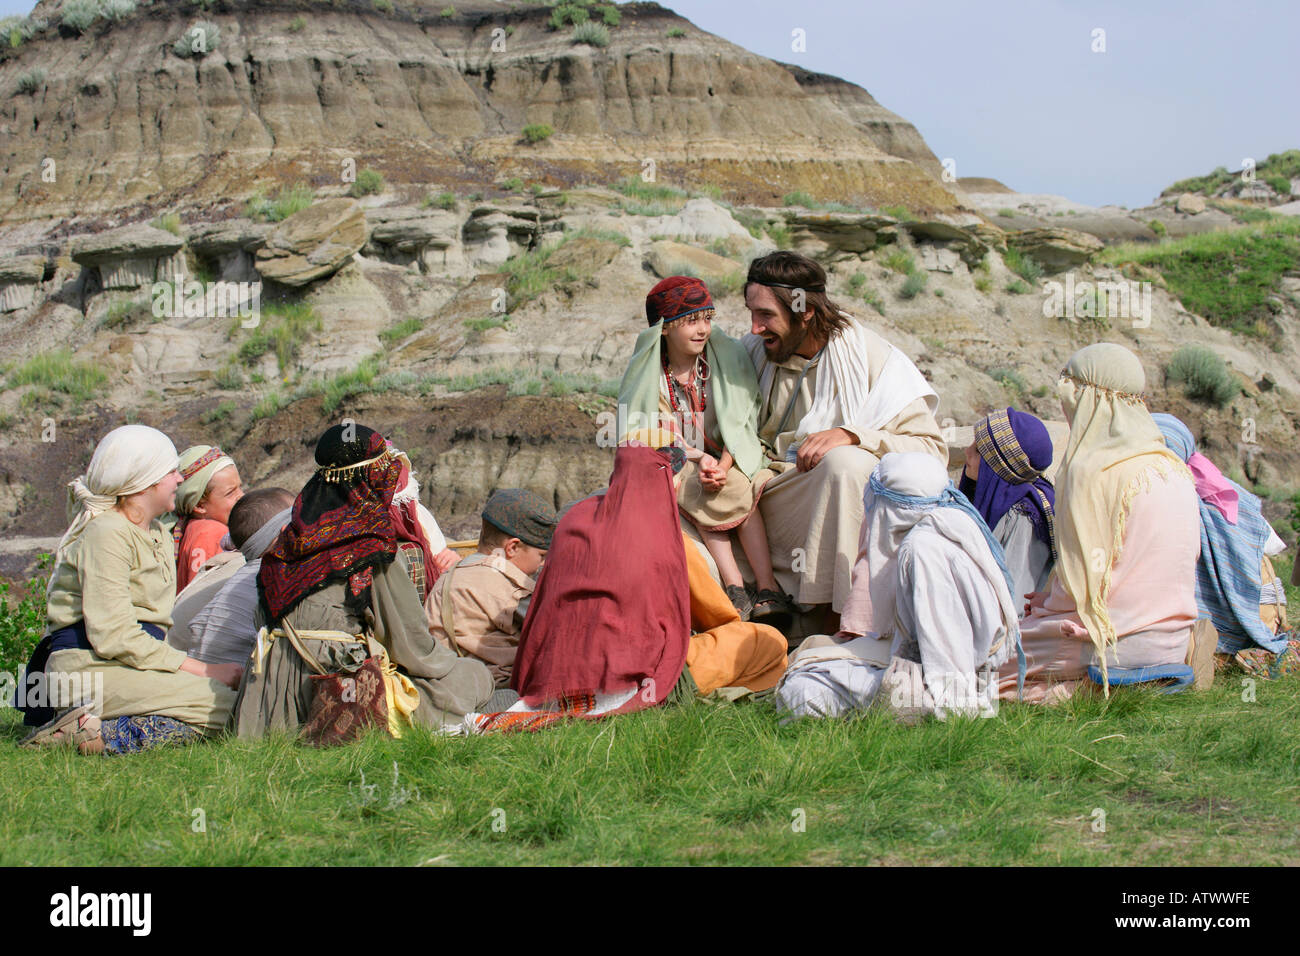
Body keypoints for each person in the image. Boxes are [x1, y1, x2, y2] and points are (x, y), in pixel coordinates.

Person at [464, 442, 787, 733]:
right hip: (640, 683)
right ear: (665, 481)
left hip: (554, 679)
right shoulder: (669, 537)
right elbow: (719, 617)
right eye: (674, 477)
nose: (676, 485)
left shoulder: (572, 522)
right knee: (766, 641)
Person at [232, 424, 493, 738]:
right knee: (472, 676)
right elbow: (413, 650)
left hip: (266, 696)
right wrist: (461, 667)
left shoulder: (285, 543)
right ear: (376, 478)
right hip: (335, 690)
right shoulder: (373, 547)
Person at [742, 251, 946, 618]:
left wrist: (854, 435)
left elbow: (931, 450)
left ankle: (842, 612)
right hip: (756, 499)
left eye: (766, 316)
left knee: (846, 465)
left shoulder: (870, 358)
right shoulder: (753, 353)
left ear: (804, 311)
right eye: (752, 314)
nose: (755, 328)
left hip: (826, 501)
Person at [20, 425, 241, 755]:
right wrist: (205, 669)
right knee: (223, 707)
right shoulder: (107, 533)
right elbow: (114, 636)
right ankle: (91, 734)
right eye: (169, 472)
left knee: (233, 701)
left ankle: (94, 723)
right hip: (89, 667)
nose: (179, 480)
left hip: (126, 665)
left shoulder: (157, 534)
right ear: (145, 480)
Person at [998, 344, 1200, 703]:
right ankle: (1108, 689)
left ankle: (1077, 690)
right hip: (1174, 640)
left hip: (1108, 642)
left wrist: (1044, 606)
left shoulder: (1091, 470)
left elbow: (1079, 590)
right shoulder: (1172, 466)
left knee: (982, 665)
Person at [775, 452, 1019, 722]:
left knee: (802, 689)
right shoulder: (953, 522)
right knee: (814, 652)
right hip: (949, 667)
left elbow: (947, 655)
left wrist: (948, 706)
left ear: (893, 507)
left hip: (946, 684)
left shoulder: (921, 551)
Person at [618, 276, 793, 625]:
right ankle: (735, 586)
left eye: (707, 319)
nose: (702, 330)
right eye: (690, 322)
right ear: (664, 329)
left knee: (737, 484)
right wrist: (699, 460)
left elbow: (742, 417)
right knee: (698, 487)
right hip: (682, 459)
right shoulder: (651, 375)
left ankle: (767, 587)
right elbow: (651, 431)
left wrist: (724, 463)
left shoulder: (727, 356)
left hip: (732, 452)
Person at [1152, 413, 1293, 666]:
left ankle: (1208, 649)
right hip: (1265, 615)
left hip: (1234, 616)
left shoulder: (1157, 496)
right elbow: (1273, 545)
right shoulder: (1223, 487)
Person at [427, 489, 556, 687]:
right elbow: (553, 625)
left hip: (448, 682)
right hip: (494, 686)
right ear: (512, 548)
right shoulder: (509, 585)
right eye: (541, 556)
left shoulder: (454, 572)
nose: (542, 565)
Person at [172, 488, 296, 666]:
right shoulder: (273, 578)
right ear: (285, 532)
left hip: (196, 674)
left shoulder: (243, 573)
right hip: (231, 687)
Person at [958, 407, 1057, 603]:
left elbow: (1013, 600)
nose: (966, 452)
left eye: (978, 451)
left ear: (998, 467)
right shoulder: (997, 498)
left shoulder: (1024, 516)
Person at [172, 444, 244, 592]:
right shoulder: (209, 533)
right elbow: (201, 598)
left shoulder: (193, 529)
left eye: (239, 487)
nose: (241, 496)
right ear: (199, 505)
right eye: (230, 492)